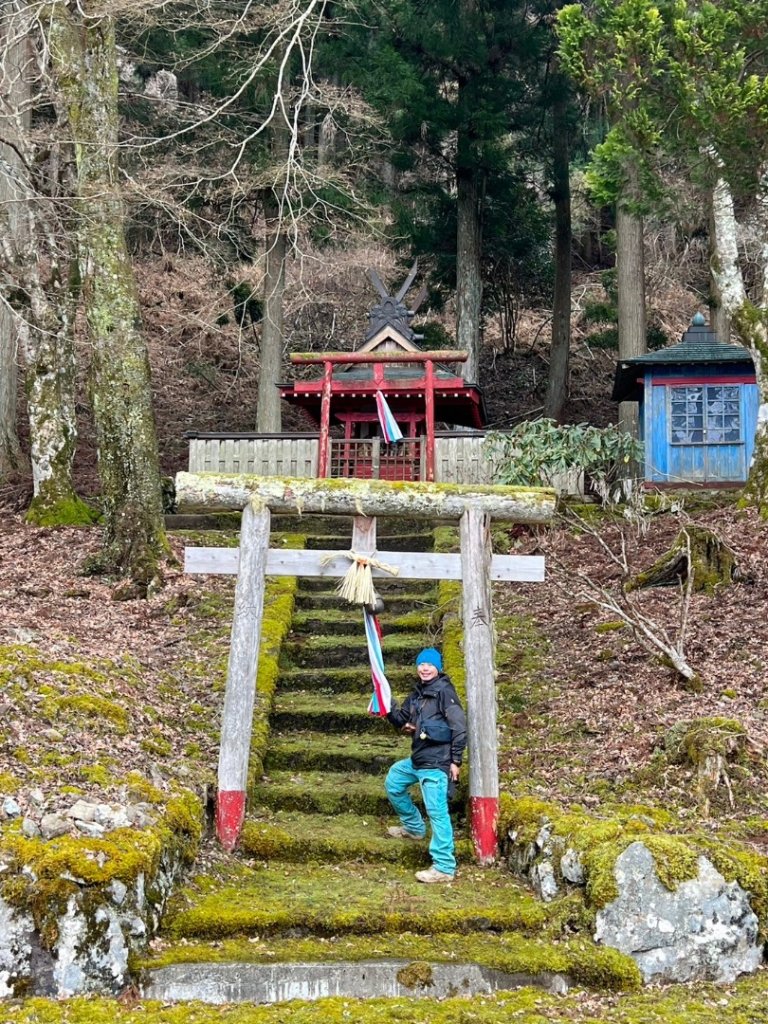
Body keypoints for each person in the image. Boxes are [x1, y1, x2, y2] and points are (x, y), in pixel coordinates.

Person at [384, 646, 467, 883]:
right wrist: (388, 706)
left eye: (430, 664)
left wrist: (456, 761)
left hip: (437, 763)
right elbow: (402, 720)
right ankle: (413, 827)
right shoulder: (418, 693)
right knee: (394, 781)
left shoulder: (445, 692)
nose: (425, 668)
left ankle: (444, 867)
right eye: (421, 664)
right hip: (418, 759)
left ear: (438, 668)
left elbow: (459, 728)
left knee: (437, 812)